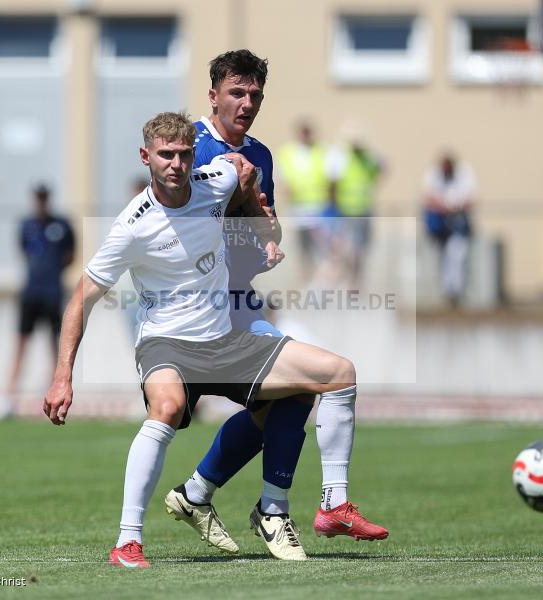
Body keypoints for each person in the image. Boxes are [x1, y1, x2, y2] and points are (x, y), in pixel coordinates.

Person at [42, 111, 386, 569]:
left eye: (184, 154)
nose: (177, 164)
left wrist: (259, 226)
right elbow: (79, 300)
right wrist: (62, 377)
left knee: (336, 374)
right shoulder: (132, 225)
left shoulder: (215, 176)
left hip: (224, 340)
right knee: (165, 408)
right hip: (165, 345)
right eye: (166, 155)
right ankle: (127, 542)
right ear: (146, 157)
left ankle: (330, 504)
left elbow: (242, 172)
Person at [167, 50, 386, 562]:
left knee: (296, 394)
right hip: (195, 314)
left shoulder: (261, 155)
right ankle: (283, 506)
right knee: (324, 379)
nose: (246, 104)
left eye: (255, 96)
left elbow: (259, 225)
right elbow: (177, 230)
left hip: (239, 303)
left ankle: (219, 499)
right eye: (236, 93)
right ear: (213, 95)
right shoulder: (189, 148)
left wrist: (266, 239)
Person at [0, 184, 74, 419]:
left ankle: (51, 393)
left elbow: (69, 255)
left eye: (44, 198)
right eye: (38, 199)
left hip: (52, 292)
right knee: (21, 342)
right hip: (31, 293)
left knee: (54, 345)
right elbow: (24, 252)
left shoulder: (62, 225)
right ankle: (9, 395)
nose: (41, 203)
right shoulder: (26, 225)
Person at [326, 123, 383, 286]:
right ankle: (344, 281)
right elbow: (332, 184)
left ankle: (355, 284)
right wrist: (333, 208)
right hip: (345, 211)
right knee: (346, 250)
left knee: (360, 251)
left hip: (363, 209)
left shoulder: (368, 157)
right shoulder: (340, 157)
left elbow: (381, 168)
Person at [276, 120, 330, 280]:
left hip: (317, 206)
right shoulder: (288, 152)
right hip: (297, 207)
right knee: (302, 247)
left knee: (320, 247)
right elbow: (282, 176)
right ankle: (305, 277)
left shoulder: (320, 151)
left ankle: (319, 279)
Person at [422, 151, 476, 306]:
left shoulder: (464, 174)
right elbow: (428, 197)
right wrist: (444, 207)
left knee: (457, 254)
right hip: (440, 224)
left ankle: (456, 291)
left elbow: (473, 198)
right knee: (442, 256)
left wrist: (457, 207)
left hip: (458, 222)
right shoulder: (433, 175)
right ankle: (447, 290)